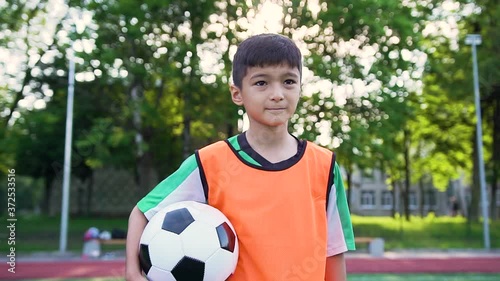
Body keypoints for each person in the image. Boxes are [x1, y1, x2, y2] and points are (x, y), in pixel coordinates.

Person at [125, 33, 356, 281]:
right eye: (261, 83)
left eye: (289, 81)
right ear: (237, 93)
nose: (277, 93)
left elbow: (333, 249)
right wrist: (132, 272)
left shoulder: (324, 165)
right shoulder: (209, 162)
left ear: (300, 88)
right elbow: (143, 212)